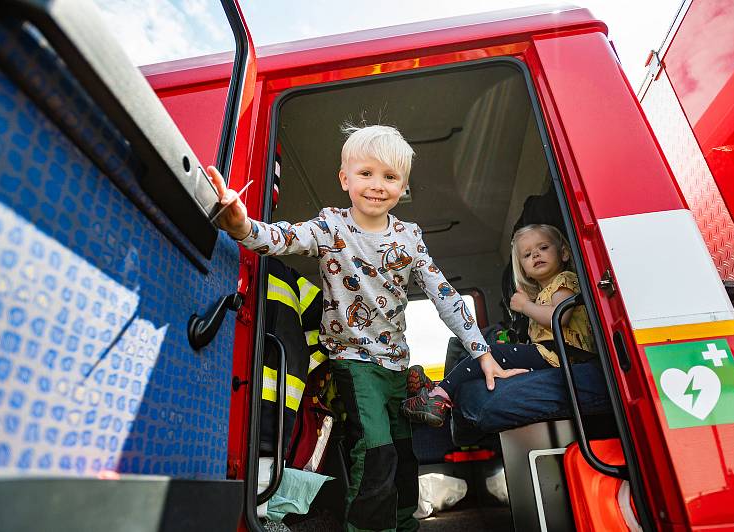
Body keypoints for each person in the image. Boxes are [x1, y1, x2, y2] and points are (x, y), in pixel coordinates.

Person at [207, 124, 524, 532]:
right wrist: (241, 227)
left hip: (397, 366)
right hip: (354, 362)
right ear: (345, 179)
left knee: (404, 456)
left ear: (403, 186)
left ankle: (405, 523)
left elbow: (444, 294)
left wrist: (482, 353)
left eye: (390, 177)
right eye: (366, 173)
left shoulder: (410, 237)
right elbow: (280, 238)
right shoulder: (330, 228)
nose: (377, 185)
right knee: (375, 453)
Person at [402, 223, 597, 427]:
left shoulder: (566, 279)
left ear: (564, 253)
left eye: (544, 248)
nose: (536, 255)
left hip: (564, 354)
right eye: (528, 254)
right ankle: (437, 391)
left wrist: (525, 306)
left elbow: (559, 317)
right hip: (551, 354)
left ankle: (438, 395)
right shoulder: (542, 294)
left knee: (486, 353)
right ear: (524, 270)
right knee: (484, 357)